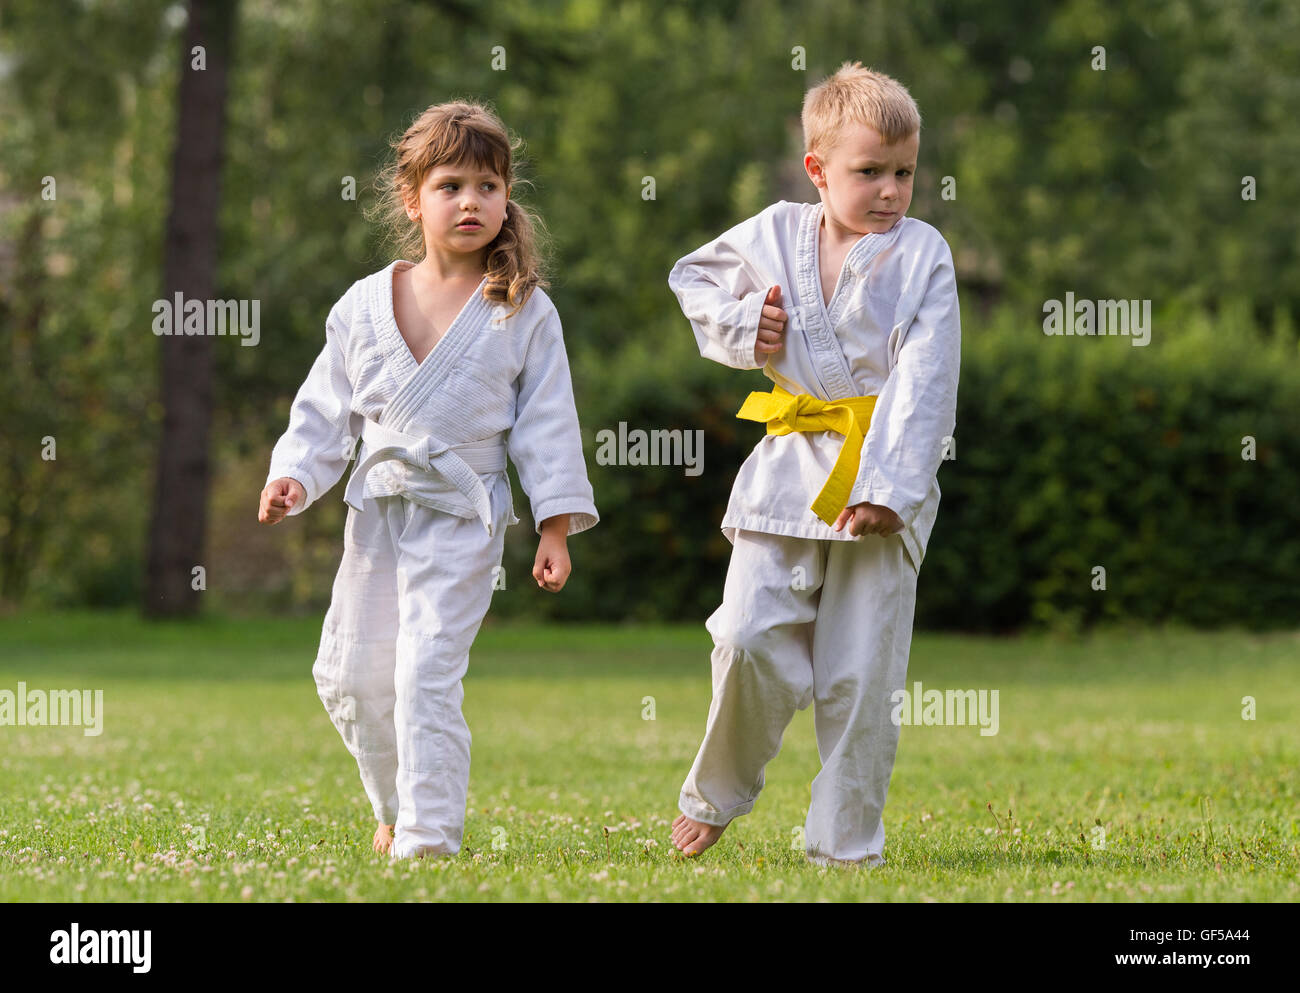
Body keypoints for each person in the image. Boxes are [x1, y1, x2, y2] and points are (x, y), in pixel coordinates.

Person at [258, 101, 598, 860]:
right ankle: (394, 805)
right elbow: (324, 410)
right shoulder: (362, 305)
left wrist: (554, 526)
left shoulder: (523, 310)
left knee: (425, 672)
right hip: (376, 514)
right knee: (348, 676)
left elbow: (547, 424)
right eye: (451, 185)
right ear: (413, 199)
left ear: (507, 198)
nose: (471, 200)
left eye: (488, 184)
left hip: (461, 512)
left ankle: (428, 840)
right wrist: (292, 475)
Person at [666, 62, 960, 867]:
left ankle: (844, 841)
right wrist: (741, 326)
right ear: (818, 169)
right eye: (870, 172)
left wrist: (890, 489)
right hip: (789, 462)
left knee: (858, 674)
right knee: (747, 634)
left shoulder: (922, 255)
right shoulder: (772, 236)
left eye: (905, 172)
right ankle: (717, 791)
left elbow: (927, 379)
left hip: (882, 474)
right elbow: (691, 278)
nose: (892, 191)